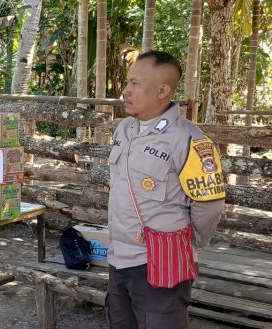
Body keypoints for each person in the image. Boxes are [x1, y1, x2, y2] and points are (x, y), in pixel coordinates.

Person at [106, 51, 226, 328]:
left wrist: (190, 244)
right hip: (118, 259)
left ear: (163, 90)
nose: (125, 91)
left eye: (135, 84)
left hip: (160, 263)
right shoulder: (125, 129)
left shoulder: (190, 140)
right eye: (127, 82)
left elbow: (210, 207)